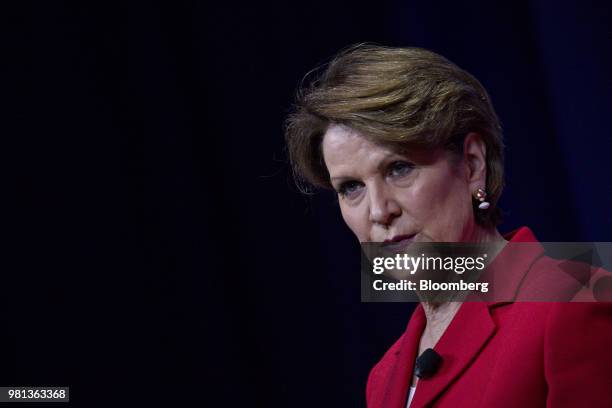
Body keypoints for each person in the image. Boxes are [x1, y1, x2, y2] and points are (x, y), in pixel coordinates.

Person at [284, 43, 612, 407]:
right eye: (351, 188)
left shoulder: (574, 302)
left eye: (399, 168)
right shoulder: (383, 378)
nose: (378, 211)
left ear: (472, 164)